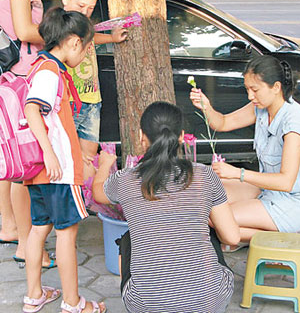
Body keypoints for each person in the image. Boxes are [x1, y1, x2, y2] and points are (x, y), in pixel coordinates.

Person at [92, 101, 240, 313]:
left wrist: (105, 164)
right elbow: (232, 238)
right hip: (209, 301)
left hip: (146, 304)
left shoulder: (125, 180)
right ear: (181, 136)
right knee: (210, 230)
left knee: (127, 239)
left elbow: (98, 194)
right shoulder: (204, 177)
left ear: (142, 136)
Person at [23, 7, 106, 313]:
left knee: (38, 228)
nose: (85, 55)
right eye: (86, 48)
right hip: (57, 171)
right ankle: (73, 303)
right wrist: (50, 153)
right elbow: (34, 109)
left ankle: (34, 295)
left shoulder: (39, 65)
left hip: (42, 172)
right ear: (73, 43)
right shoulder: (50, 73)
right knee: (66, 235)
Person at [0, 0, 65, 266]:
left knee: (15, 165)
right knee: (27, 169)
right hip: (23, 77)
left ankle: (16, 234)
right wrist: (62, 34)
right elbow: (25, 30)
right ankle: (29, 247)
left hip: (10, 78)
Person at [190, 55, 300, 251]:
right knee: (207, 195)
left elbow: (286, 182)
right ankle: (248, 234)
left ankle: (284, 237)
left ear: (276, 87)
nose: (250, 96)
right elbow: (222, 123)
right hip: (267, 190)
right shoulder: (261, 108)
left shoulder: (293, 122)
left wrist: (237, 173)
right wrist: (206, 106)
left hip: (292, 201)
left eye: (255, 90)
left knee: (218, 218)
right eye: (247, 89)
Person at [62, 0, 127, 180]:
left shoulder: (85, 25)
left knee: (89, 155)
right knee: (69, 154)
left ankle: (85, 198)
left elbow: (92, 37)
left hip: (92, 100)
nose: (85, 12)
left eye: (90, 8)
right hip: (70, 102)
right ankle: (71, 198)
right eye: (80, 5)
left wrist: (112, 38)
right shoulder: (60, 24)